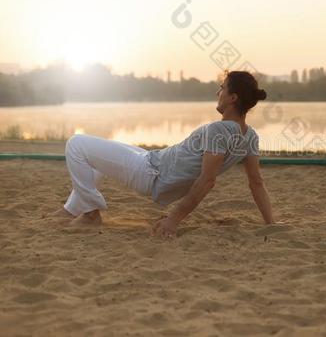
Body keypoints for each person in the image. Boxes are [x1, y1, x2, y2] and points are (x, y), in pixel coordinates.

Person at [51, 71, 274, 238]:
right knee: (98, 157)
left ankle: (90, 214)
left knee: (76, 144)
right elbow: (256, 183)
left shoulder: (218, 131)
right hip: (152, 160)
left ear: (233, 98)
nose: (218, 93)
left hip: (151, 173)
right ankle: (71, 210)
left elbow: (207, 181)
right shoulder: (250, 137)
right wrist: (270, 224)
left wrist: (173, 220)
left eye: (222, 88)